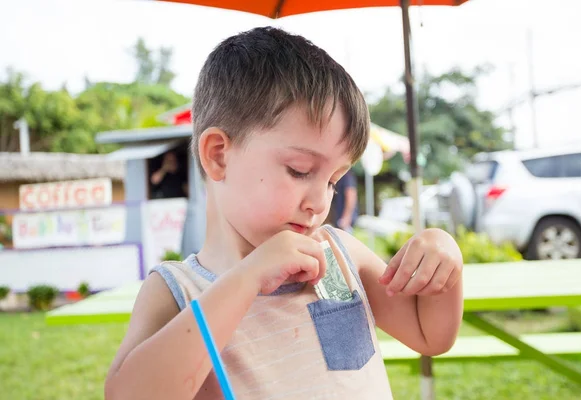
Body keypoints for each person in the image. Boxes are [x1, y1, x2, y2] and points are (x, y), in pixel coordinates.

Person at [105, 27, 463, 400]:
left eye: (332, 181)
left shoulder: (338, 256)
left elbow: (429, 335)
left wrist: (444, 256)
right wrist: (248, 277)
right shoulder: (176, 290)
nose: (319, 202)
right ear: (218, 155)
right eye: (300, 170)